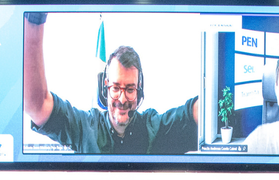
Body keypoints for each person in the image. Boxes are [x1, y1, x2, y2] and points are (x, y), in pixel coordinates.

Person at [23, 13, 199, 154]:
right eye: (115, 88)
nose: (122, 99)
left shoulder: (154, 128)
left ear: (139, 90)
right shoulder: (85, 127)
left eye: (130, 89)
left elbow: (197, 113)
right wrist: (35, 16)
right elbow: (37, 106)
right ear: (105, 86)